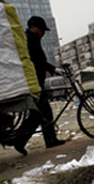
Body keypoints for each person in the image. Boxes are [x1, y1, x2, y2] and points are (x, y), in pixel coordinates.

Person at [12, 15, 65, 155]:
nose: (43, 33)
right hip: (34, 84)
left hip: (36, 83)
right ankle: (21, 140)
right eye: (41, 30)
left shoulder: (31, 38)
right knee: (41, 113)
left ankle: (23, 140)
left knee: (39, 114)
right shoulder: (29, 39)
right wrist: (53, 69)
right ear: (33, 27)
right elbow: (37, 61)